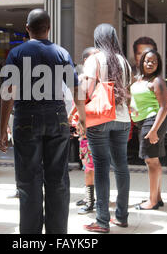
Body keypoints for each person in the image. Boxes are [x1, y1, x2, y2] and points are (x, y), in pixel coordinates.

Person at [0, 9, 86, 234]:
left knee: (28, 182)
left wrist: (2, 130)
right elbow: (76, 89)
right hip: (58, 118)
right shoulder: (61, 53)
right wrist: (83, 118)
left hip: (26, 117)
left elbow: (7, 92)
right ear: (49, 28)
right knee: (58, 181)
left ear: (27, 28)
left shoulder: (16, 53)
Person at [81, 24, 132, 233]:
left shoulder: (94, 59)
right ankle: (121, 216)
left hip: (100, 118)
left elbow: (86, 90)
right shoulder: (124, 62)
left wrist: (80, 116)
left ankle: (102, 221)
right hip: (122, 119)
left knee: (101, 167)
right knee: (121, 166)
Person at [131, 49, 167, 210]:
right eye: (147, 60)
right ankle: (157, 197)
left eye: (154, 61)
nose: (150, 64)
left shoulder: (157, 81)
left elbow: (164, 107)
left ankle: (152, 201)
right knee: (154, 161)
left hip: (152, 122)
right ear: (141, 62)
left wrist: (153, 130)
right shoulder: (138, 80)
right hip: (144, 123)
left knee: (151, 161)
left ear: (158, 64)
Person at [70, 47, 98, 215]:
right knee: (88, 166)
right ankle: (90, 198)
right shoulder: (85, 79)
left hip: (93, 129)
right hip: (86, 129)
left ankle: (91, 200)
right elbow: (78, 102)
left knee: (90, 167)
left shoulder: (90, 79)